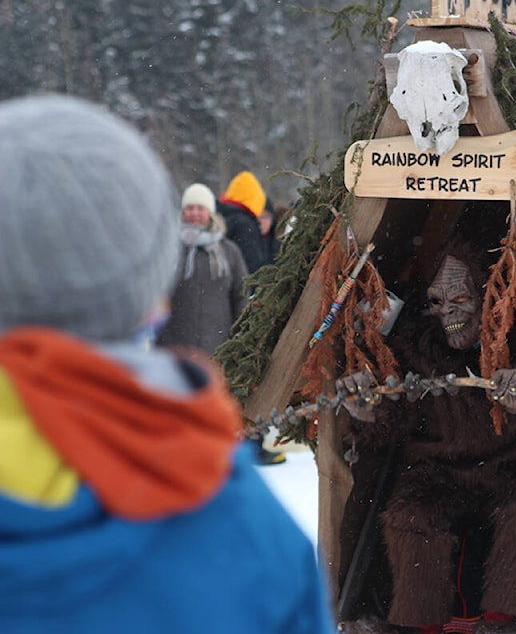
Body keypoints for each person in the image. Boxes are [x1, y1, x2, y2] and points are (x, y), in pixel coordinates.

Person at [0, 94, 336, 634]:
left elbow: (240, 299)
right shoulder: (251, 540)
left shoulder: (223, 252)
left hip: (210, 343)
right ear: (149, 292)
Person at [336, 237, 516, 634]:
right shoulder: (417, 347)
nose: (447, 314)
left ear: (484, 298)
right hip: (436, 473)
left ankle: (502, 621)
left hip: (510, 468)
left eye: (459, 300)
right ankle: (418, 623)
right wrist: (368, 411)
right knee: (409, 515)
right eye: (437, 303)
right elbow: (396, 414)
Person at [218, 169, 286, 464]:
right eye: (259, 217)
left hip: (238, 312)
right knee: (247, 379)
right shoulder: (245, 231)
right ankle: (249, 443)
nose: (261, 224)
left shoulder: (234, 226)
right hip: (247, 314)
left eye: (266, 219)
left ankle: (250, 440)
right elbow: (256, 275)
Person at [155, 182, 249, 355]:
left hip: (218, 346)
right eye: (190, 208)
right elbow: (156, 292)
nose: (195, 213)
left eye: (201, 208)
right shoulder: (169, 248)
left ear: (210, 213)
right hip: (172, 346)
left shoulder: (229, 251)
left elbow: (240, 295)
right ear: (183, 212)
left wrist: (239, 337)